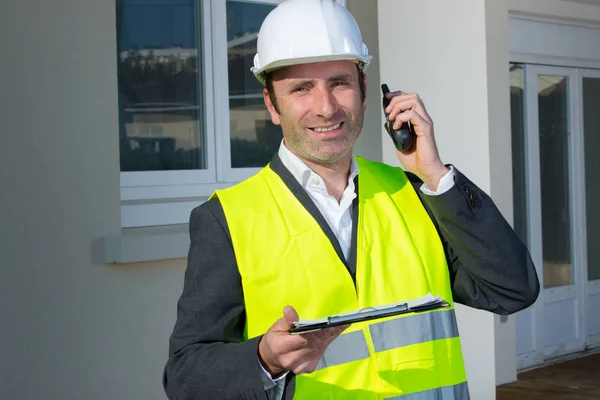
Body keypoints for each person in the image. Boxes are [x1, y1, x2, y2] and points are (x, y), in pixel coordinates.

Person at [162, 0, 540, 399]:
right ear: (272, 105)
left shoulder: (416, 192)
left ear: (364, 90)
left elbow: (513, 289)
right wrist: (264, 359)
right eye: (301, 89)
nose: (326, 108)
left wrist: (435, 174)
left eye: (339, 83)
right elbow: (186, 377)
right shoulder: (227, 218)